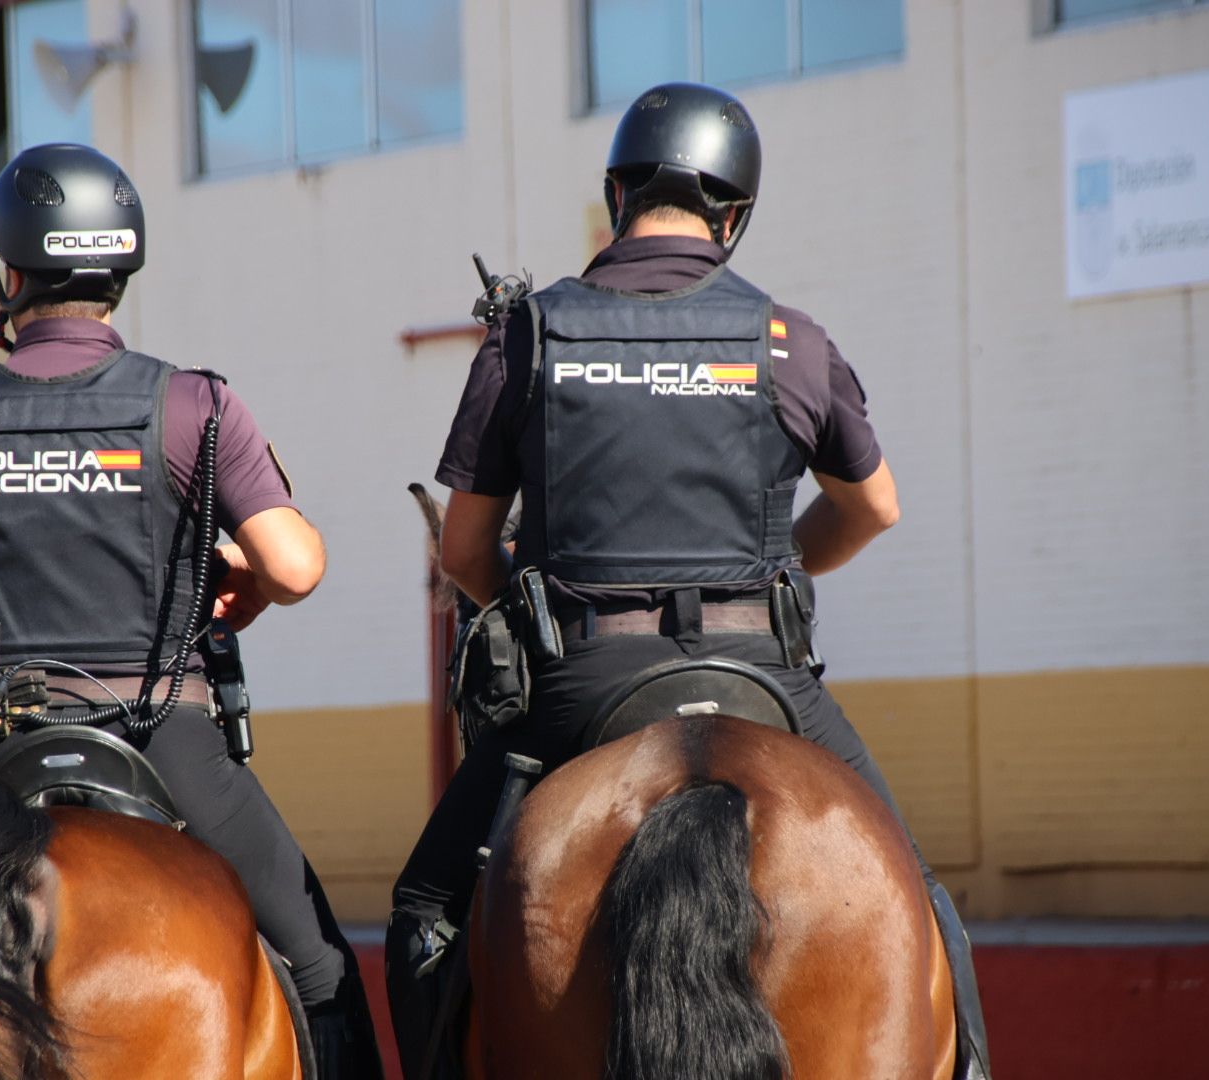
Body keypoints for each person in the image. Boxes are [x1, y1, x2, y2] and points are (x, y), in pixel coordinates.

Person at [387, 83, 991, 1080]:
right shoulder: (788, 342)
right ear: (735, 214)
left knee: (427, 909)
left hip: (581, 683)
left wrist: (523, 615)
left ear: (618, 194)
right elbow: (873, 508)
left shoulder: (530, 336)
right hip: (761, 671)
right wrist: (785, 565)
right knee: (922, 899)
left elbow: (462, 555)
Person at [0, 143, 382, 1078]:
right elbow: (297, 568)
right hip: (162, 739)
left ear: (9, 272)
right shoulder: (189, 405)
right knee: (317, 967)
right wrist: (249, 580)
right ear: (119, 269)